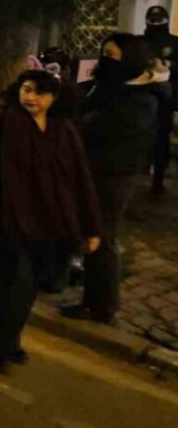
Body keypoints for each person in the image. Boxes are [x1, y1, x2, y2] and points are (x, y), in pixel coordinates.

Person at [0, 70, 103, 371]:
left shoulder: (64, 130)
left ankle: (3, 337)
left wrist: (91, 225)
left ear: (54, 98)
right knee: (16, 283)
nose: (30, 97)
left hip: (51, 221)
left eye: (39, 92)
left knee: (23, 287)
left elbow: (80, 178)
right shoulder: (8, 122)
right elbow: (5, 176)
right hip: (13, 220)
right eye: (27, 89)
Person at [62, 34, 166, 325]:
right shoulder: (111, 87)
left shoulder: (143, 97)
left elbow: (114, 132)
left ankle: (102, 307)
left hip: (115, 174)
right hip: (96, 168)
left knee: (102, 236)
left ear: (128, 58)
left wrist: (83, 127)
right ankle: (92, 300)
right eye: (103, 52)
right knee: (92, 234)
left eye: (112, 54)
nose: (105, 59)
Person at [144, 5, 177, 195]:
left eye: (159, 20)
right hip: (141, 95)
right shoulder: (139, 42)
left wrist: (168, 65)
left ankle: (158, 178)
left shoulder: (174, 43)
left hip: (165, 98)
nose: (155, 23)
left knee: (161, 137)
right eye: (152, 20)